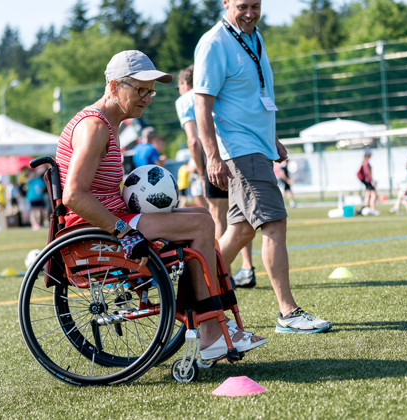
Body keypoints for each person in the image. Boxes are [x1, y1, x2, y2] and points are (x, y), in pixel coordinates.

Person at [57, 49, 265, 359]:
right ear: (114, 87)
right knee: (200, 223)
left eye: (151, 90)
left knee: (201, 216)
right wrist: (123, 232)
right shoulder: (95, 127)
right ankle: (209, 332)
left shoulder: (109, 125)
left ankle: (212, 325)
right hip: (95, 228)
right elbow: (73, 195)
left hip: (112, 218)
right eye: (140, 89)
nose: (148, 97)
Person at [194, 0, 331, 333]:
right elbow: (202, 101)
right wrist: (212, 155)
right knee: (274, 223)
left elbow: (255, 97)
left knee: (241, 230)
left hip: (258, 147)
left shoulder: (255, 36)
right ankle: (288, 312)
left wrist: (273, 139)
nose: (250, 13)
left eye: (256, 6)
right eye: (242, 6)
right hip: (241, 151)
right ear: (226, 3)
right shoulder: (214, 43)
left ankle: (192, 291)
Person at [175, 63, 256, 288]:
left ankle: (224, 273)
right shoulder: (216, 91)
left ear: (184, 83)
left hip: (215, 160)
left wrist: (202, 173)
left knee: (219, 216)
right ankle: (247, 268)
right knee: (240, 215)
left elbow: (193, 140)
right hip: (234, 155)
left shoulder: (185, 99)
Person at [358, 148, 379, 216]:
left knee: (368, 194)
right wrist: (372, 181)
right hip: (368, 181)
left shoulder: (363, 162)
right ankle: (373, 209)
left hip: (365, 181)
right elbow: (368, 173)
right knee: (374, 195)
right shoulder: (366, 163)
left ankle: (366, 208)